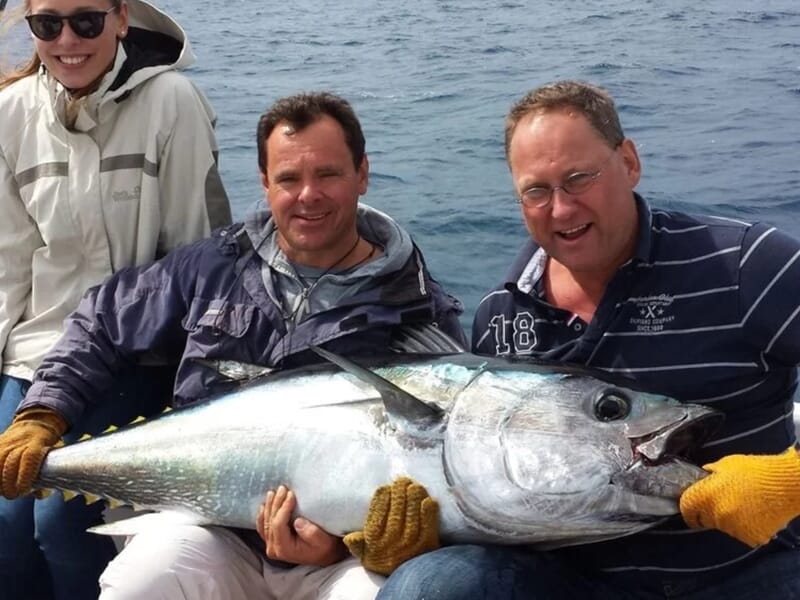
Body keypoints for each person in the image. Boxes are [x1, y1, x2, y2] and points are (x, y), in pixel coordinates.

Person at [0, 90, 465, 599]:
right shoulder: (215, 268)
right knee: (143, 578)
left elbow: (448, 461)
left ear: (362, 173)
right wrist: (43, 413)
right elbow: (102, 321)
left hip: (342, 559)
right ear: (266, 183)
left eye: (328, 174)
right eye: (289, 178)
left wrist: (384, 545)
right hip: (210, 526)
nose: (308, 195)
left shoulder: (416, 307)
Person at [376, 80, 800, 599]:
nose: (561, 209)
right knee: (428, 586)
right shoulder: (501, 316)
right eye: (536, 190)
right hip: (576, 581)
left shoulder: (745, 264)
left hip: (749, 571)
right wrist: (422, 535)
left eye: (579, 179)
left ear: (629, 162)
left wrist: (791, 480)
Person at [0, 0, 231, 598]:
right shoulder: (10, 114)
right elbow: (10, 268)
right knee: (3, 522)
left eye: (87, 21)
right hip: (34, 357)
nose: (67, 39)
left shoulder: (173, 103)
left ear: (122, 18)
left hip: (138, 356)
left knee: (63, 523)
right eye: (47, 24)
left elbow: (198, 259)